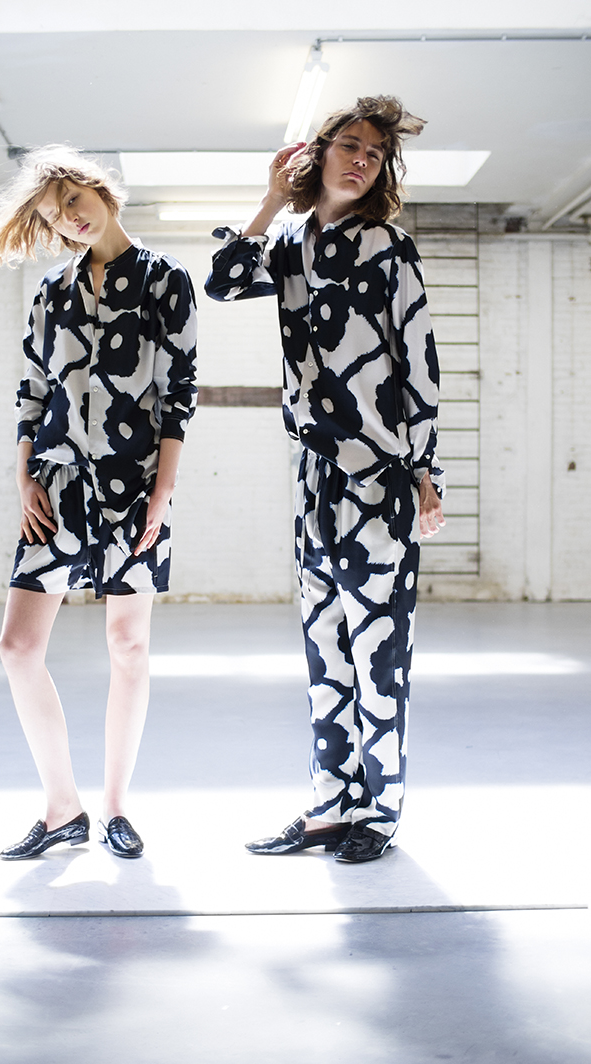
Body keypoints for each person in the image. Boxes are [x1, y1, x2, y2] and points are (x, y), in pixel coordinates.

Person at [205, 96, 445, 863]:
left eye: (374, 153)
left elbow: (418, 363)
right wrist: (271, 198)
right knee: (324, 657)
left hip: (379, 476)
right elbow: (222, 283)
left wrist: (425, 472)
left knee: (379, 655)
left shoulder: (387, 246)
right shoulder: (288, 242)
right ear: (321, 152)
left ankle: (380, 811)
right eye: (349, 144)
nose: (361, 159)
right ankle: (328, 806)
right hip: (313, 480)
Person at [0, 146, 197, 860]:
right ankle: (61, 807)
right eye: (53, 215)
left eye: (73, 200)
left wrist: (163, 493)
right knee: (17, 647)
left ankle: (116, 808)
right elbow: (33, 390)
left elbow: (178, 395)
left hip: (135, 487)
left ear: (101, 191)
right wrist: (24, 478)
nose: (69, 219)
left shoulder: (165, 280)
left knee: (128, 645)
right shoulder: (51, 292)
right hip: (56, 485)